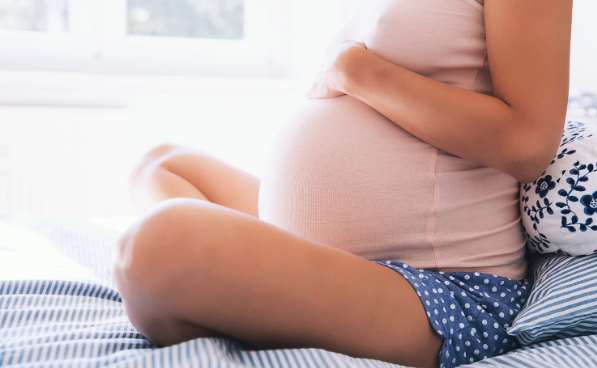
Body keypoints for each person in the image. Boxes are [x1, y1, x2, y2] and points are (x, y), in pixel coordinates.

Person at [114, 1, 572, 367]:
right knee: (161, 166)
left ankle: (245, 294)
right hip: (339, 254)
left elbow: (528, 144)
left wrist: (356, 71)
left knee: (157, 248)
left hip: (438, 289)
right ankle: (266, 291)